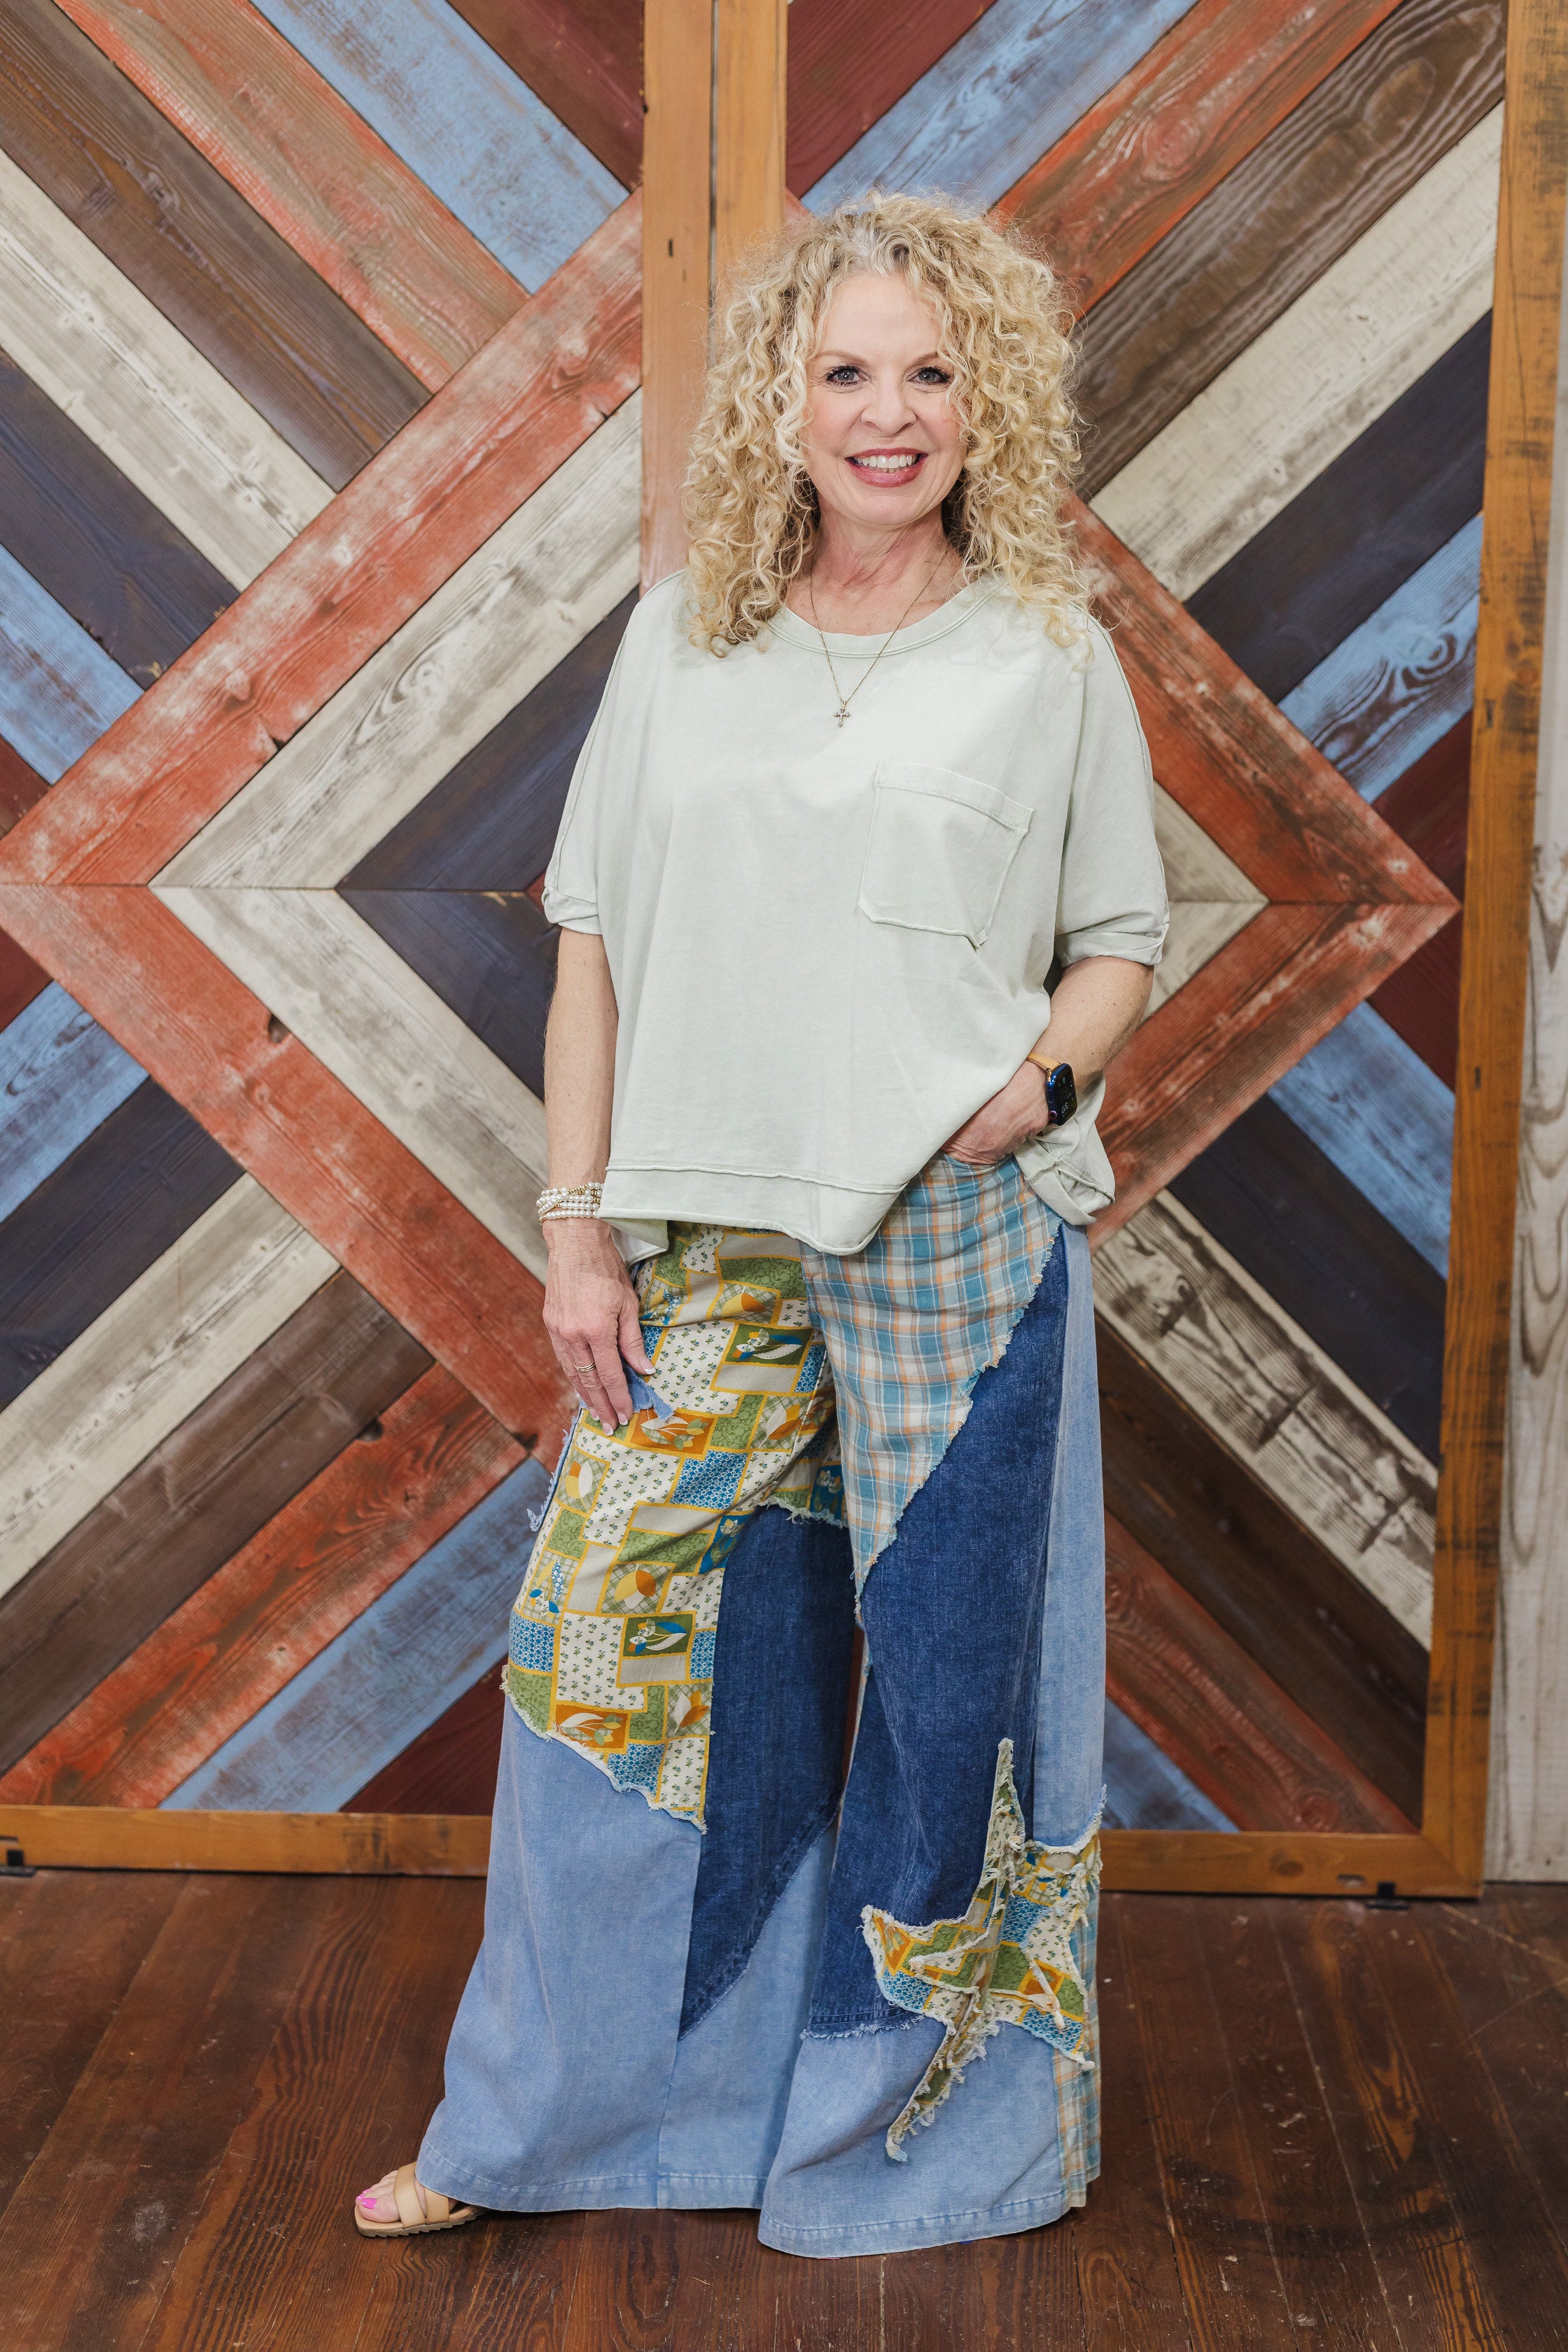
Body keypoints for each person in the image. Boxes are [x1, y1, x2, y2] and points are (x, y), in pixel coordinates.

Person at [354, 190, 1166, 2260]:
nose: (890, 413)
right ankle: (550, 2130)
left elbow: (1120, 941)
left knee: (954, 1703)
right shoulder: (685, 637)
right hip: (705, 1237)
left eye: (931, 372)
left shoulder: (1049, 652)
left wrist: (1035, 1090)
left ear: (986, 403)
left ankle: (906, 2135)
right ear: (782, 406)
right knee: (608, 1654)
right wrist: (578, 1232)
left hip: (955, 1234)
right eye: (846, 371)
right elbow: (595, 943)